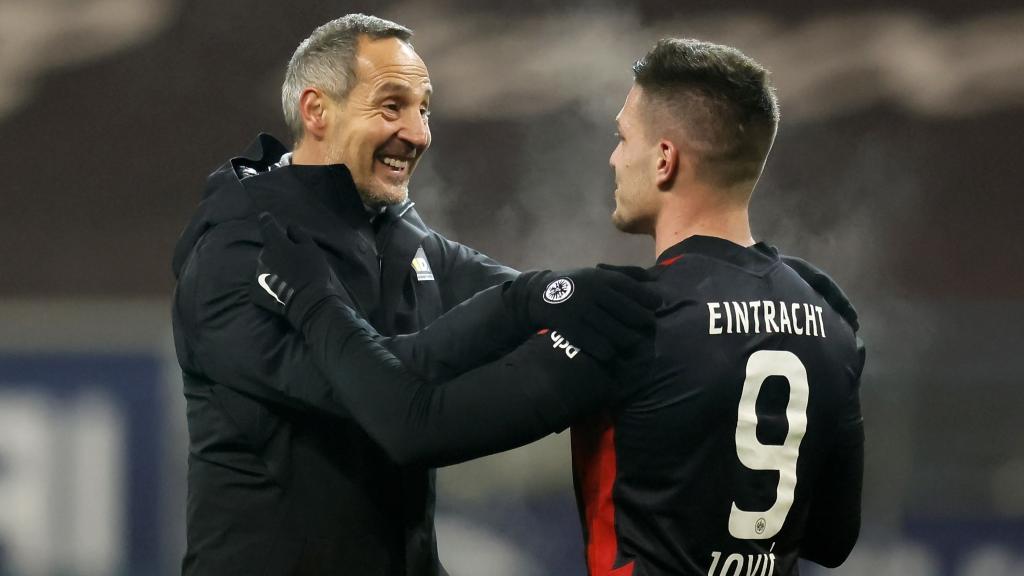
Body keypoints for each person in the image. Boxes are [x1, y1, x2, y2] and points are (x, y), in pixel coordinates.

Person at [256, 38, 865, 576]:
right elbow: (832, 540)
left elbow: (413, 424)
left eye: (623, 137)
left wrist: (311, 296)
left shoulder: (633, 317)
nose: (613, 157)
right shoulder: (829, 320)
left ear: (664, 159)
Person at [170, 13, 659, 576]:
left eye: (423, 108)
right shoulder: (239, 258)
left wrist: (682, 297)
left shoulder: (396, 233)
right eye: (391, 106)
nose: (419, 132)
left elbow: (525, 299)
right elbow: (389, 395)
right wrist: (533, 303)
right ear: (316, 111)